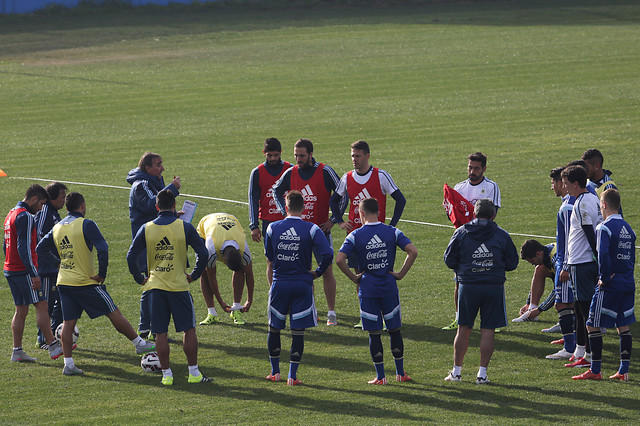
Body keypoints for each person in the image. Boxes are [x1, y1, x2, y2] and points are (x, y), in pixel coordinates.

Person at [36, 192, 155, 375]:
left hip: (64, 282)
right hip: (85, 282)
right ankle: (139, 344)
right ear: (82, 206)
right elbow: (103, 248)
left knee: (68, 322)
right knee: (113, 311)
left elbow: (40, 248)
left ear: (67, 208)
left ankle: (68, 365)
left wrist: (58, 262)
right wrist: (102, 273)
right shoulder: (86, 224)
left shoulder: (58, 227)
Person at [127, 190, 210, 385]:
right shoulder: (184, 227)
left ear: (156, 207)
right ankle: (194, 373)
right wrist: (195, 275)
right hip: (179, 286)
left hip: (154, 287)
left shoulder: (146, 228)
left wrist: (139, 278)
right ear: (174, 206)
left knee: (160, 332)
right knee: (188, 330)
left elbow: (131, 255)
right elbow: (203, 253)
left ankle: (167, 376)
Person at [335, 197, 417, 385]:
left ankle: (381, 377)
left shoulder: (355, 235)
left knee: (374, 333)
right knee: (395, 330)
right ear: (379, 212)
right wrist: (400, 274)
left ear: (361, 213)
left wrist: (354, 277)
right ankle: (400, 373)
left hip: (368, 289)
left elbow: (339, 259)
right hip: (389, 287)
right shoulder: (392, 232)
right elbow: (413, 251)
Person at [330, 140, 406, 328]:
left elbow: (400, 200)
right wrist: (339, 221)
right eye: (352, 156)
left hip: (379, 234)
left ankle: (385, 313)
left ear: (367, 156)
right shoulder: (347, 177)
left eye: (357, 156)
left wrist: (392, 226)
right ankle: (367, 313)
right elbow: (334, 200)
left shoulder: (381, 176)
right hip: (357, 236)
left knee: (382, 271)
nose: (354, 160)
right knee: (361, 274)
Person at [443, 199, 518, 384]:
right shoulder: (502, 235)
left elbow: (449, 259)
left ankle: (457, 372)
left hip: (468, 285)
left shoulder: (461, 232)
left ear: (474, 213)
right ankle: (482, 374)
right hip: (493, 286)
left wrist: (465, 268)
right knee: (488, 330)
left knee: (463, 329)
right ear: (493, 215)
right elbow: (512, 263)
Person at [264, 191, 333, 386]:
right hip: (303, 284)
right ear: (303, 208)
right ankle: (292, 376)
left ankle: (275, 372)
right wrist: (317, 272)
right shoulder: (311, 229)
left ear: (285, 207)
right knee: (298, 332)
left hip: (279, 284)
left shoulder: (272, 228)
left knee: (274, 329)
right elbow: (327, 254)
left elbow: (269, 257)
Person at [273, 138, 342, 326]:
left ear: (311, 154)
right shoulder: (290, 172)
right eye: (295, 155)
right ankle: (311, 309)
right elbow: (276, 191)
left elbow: (343, 193)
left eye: (301, 155)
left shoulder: (325, 171)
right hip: (299, 233)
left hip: (321, 231)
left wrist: (333, 220)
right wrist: (284, 212)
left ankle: (331, 312)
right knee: (304, 271)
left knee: (326, 269)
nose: (298, 159)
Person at [573, 189, 635, 381]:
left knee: (591, 324)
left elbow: (604, 255)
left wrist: (604, 277)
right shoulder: (629, 228)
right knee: (623, 325)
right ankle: (623, 371)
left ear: (604, 205)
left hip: (610, 284)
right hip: (627, 282)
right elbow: (632, 257)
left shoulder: (603, 228)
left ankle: (596, 370)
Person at [4, 184, 63, 362]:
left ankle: (17, 351)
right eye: (41, 203)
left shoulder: (10, 214)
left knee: (21, 310)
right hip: (23, 271)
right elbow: (24, 248)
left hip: (10, 269)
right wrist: (33, 273)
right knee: (42, 305)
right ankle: (52, 345)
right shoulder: (26, 217)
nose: (41, 208)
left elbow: (6, 245)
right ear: (35, 199)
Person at [443, 152, 501, 331]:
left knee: (489, 278)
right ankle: (459, 318)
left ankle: (492, 321)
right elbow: (451, 213)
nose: (472, 171)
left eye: (476, 168)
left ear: (484, 168)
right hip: (464, 240)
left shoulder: (492, 186)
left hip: (486, 239)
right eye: (470, 167)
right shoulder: (459, 188)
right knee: (459, 279)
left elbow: (493, 213)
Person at [127, 152, 181, 340]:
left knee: (156, 286)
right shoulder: (140, 185)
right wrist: (172, 189)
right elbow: (152, 205)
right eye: (158, 165)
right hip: (148, 245)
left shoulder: (154, 180)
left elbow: (160, 209)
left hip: (158, 242)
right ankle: (146, 329)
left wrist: (172, 215)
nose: (162, 168)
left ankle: (153, 329)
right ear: (147, 168)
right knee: (151, 285)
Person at [557, 165, 602, 369]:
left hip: (581, 261)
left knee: (584, 309)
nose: (564, 187)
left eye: (566, 183)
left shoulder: (582, 203)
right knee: (581, 307)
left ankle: (590, 355)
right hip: (583, 261)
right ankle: (581, 350)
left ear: (576, 183)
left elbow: (588, 232)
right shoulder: (592, 198)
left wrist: (596, 255)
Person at [196, 213, 255, 325]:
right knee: (204, 271)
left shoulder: (244, 249)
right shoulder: (211, 249)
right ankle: (211, 313)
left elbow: (249, 274)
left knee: (240, 270)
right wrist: (221, 302)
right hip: (206, 225)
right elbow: (211, 277)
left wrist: (249, 300)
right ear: (222, 258)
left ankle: (236, 308)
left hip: (232, 219)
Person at [248, 138, 292, 286]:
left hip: (289, 221)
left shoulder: (290, 169)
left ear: (280, 153)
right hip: (268, 223)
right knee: (271, 260)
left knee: (291, 258)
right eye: (269, 155)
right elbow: (253, 200)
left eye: (275, 155)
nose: (273, 158)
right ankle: (274, 292)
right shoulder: (257, 173)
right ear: (264, 153)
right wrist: (254, 226)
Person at [34, 182, 67, 349]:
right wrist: (54, 258)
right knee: (46, 304)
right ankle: (43, 339)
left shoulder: (53, 212)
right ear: (51, 198)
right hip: (46, 268)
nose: (64, 200)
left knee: (58, 302)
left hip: (55, 266)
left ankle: (54, 334)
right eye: (62, 197)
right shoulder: (45, 211)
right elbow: (40, 236)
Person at [513, 240, 557, 323]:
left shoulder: (556, 258)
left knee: (560, 303)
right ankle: (531, 310)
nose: (532, 264)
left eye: (532, 261)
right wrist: (529, 303)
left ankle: (567, 323)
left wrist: (540, 309)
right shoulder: (544, 252)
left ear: (538, 254)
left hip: (581, 276)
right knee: (539, 269)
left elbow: (559, 289)